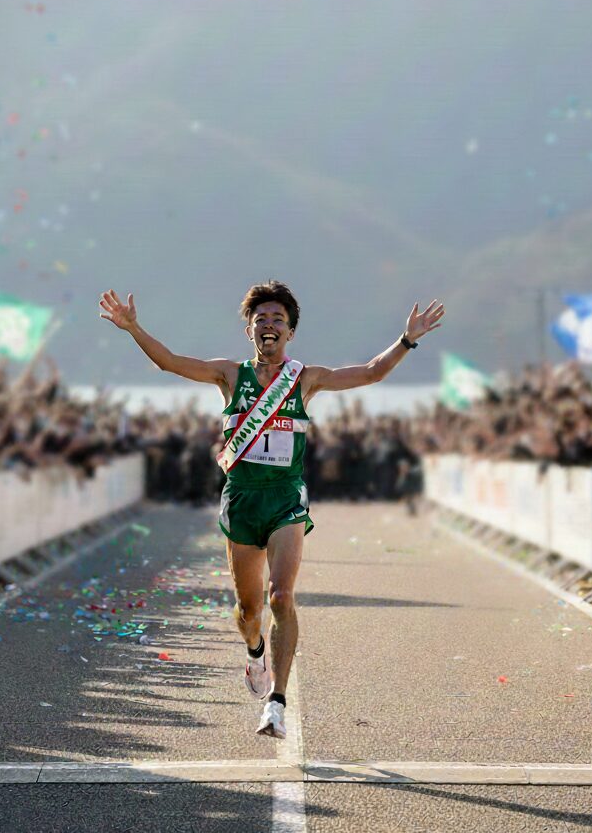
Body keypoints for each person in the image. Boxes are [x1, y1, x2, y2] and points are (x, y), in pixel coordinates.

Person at [99, 280, 445, 739]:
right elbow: (171, 362)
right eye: (260, 318)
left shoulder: (305, 379)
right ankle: (255, 651)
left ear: (290, 332)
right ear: (249, 331)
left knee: (281, 596)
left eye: (278, 319)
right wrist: (133, 328)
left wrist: (406, 339)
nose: (269, 324)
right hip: (242, 498)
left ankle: (276, 703)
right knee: (249, 612)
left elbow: (370, 372)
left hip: (285, 498)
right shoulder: (229, 375)